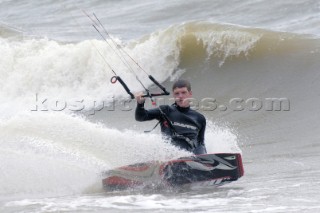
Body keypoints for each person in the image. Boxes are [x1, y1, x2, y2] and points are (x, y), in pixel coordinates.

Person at [135, 79, 207, 155]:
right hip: (170, 157)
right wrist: (140, 104)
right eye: (177, 93)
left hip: (191, 159)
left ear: (190, 93)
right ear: (173, 95)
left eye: (183, 92)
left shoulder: (199, 118)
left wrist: (203, 159)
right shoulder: (165, 110)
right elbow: (141, 117)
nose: (180, 96)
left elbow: (200, 144)